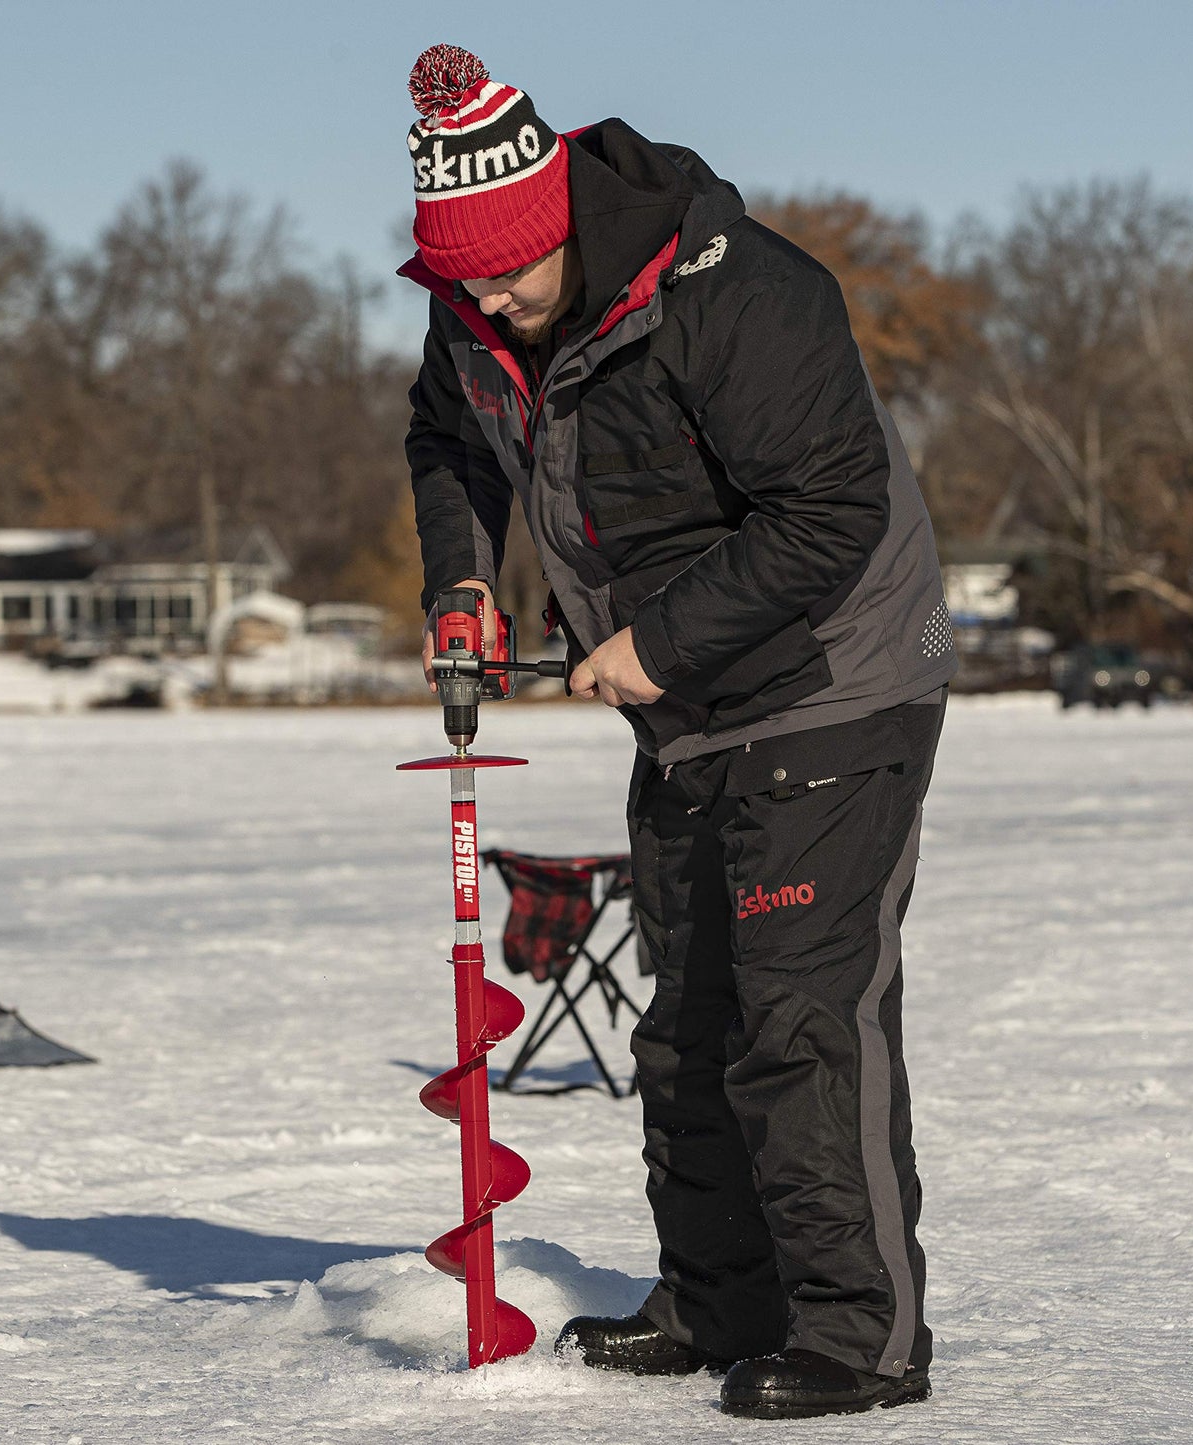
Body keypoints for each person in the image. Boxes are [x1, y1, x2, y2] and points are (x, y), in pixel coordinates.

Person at [401, 44, 956, 1420]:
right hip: (684, 713)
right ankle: (718, 1299)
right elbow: (445, 438)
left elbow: (827, 513)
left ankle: (858, 1334)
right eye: (458, 283)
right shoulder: (478, 315)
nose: (485, 305)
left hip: (831, 680)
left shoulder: (744, 295)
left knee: (797, 1014)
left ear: (563, 230)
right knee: (687, 1020)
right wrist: (461, 576)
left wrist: (652, 641)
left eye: (505, 278)